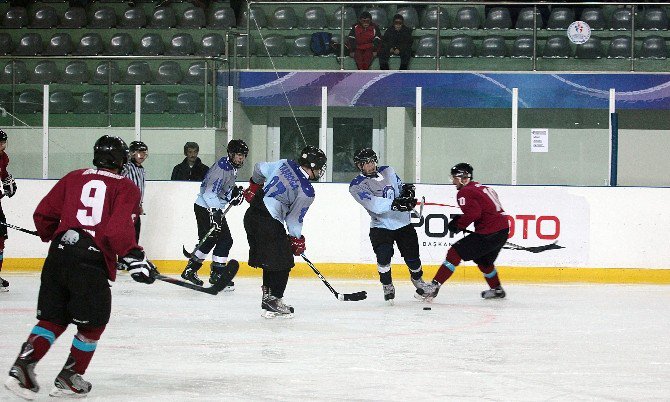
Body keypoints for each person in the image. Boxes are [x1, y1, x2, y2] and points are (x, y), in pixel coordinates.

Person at [4, 135, 156, 399]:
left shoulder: (74, 177)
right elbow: (116, 229)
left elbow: (43, 215)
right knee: (92, 324)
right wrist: (133, 255)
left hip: (59, 256)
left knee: (52, 318)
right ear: (122, 160)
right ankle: (69, 377)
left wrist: (53, 233)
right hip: (90, 262)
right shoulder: (127, 187)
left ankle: (23, 368)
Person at [242, 145, 326, 319]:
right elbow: (294, 219)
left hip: (251, 215)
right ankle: (274, 299)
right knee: (284, 260)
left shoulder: (284, 163)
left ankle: (268, 298)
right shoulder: (307, 191)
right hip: (268, 222)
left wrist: (254, 186)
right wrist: (297, 239)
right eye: (319, 167)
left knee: (270, 259)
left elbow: (258, 168)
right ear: (311, 166)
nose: (320, 170)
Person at [416, 163, 510, 302]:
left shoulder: (465, 192)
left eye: (455, 178)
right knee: (483, 260)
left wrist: (459, 224)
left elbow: (474, 213)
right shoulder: (483, 187)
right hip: (502, 230)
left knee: (454, 253)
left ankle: (434, 287)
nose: (453, 182)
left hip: (488, 233)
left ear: (463, 177)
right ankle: (497, 289)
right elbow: (484, 210)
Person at [348, 148, 431, 303]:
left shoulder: (388, 170)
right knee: (384, 257)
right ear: (359, 166)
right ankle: (387, 285)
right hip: (381, 227)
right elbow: (375, 205)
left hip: (403, 223)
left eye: (371, 161)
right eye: (365, 163)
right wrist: (396, 203)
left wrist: (407, 192)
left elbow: (399, 188)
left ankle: (418, 281)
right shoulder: (356, 185)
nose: (370, 166)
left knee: (413, 257)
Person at [180, 139, 248, 290]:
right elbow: (210, 193)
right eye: (238, 155)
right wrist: (216, 212)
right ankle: (216, 274)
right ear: (230, 154)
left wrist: (233, 195)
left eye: (243, 155)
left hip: (208, 207)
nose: (241, 158)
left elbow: (223, 189)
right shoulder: (222, 168)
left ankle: (191, 270)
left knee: (211, 240)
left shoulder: (230, 166)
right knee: (225, 240)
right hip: (207, 208)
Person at [0, 129, 17, 292]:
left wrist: (7, 182)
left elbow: (3, 174)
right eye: (0, 142)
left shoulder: (3, 158)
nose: (3, 145)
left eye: (4, 142)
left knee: (0, 239)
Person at [121, 141, 148, 242]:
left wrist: (140, 204)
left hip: (135, 209)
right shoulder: (127, 166)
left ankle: (131, 256)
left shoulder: (142, 169)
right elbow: (120, 173)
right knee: (125, 238)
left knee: (135, 237)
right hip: (125, 208)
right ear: (132, 153)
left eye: (144, 153)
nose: (142, 155)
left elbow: (140, 188)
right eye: (139, 152)